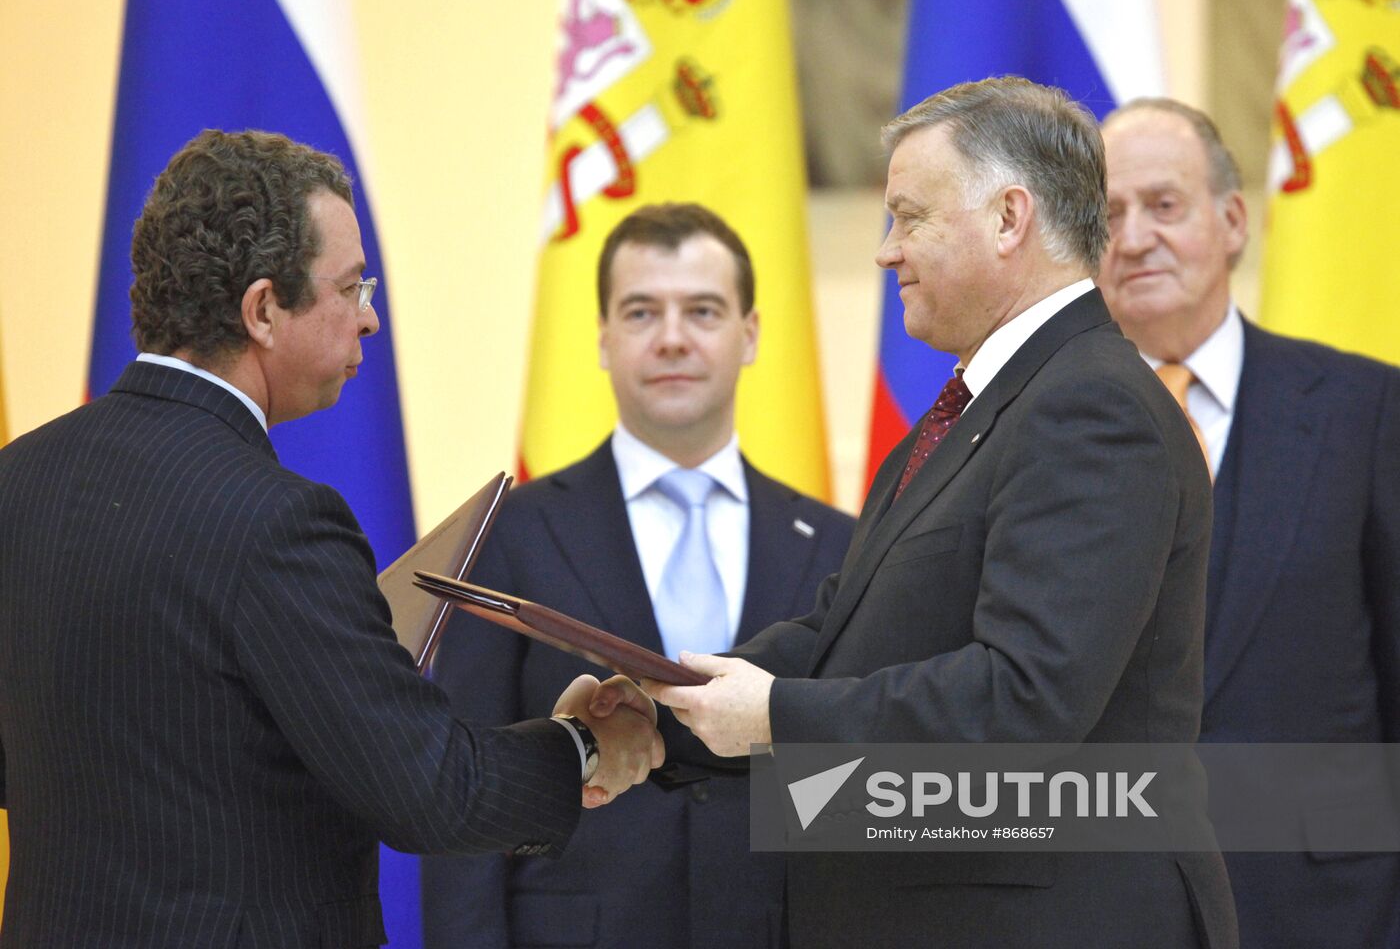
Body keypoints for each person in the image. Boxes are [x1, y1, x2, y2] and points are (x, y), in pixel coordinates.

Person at [0, 129, 663, 949]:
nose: (370, 318)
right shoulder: (276, 522)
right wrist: (588, 746)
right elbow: (431, 794)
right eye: (351, 288)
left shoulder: (16, 478)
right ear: (264, 309)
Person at [647, 77, 1239, 948]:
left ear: (1009, 218)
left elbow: (1023, 698)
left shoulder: (1091, 407)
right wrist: (666, 704)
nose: (886, 251)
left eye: (909, 216)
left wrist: (777, 715)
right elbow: (845, 632)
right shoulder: (976, 408)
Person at [421, 203, 855, 949]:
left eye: (704, 310)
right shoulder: (511, 534)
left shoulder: (839, 545)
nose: (674, 338)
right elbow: (465, 788)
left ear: (750, 335)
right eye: (642, 311)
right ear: (603, 337)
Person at [1098, 97, 1400, 949]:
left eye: (1164, 205)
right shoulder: (1038, 428)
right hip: (1112, 906)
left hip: (1332, 910)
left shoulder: (1364, 409)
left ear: (1233, 220)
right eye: (1109, 215)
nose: (1133, 237)